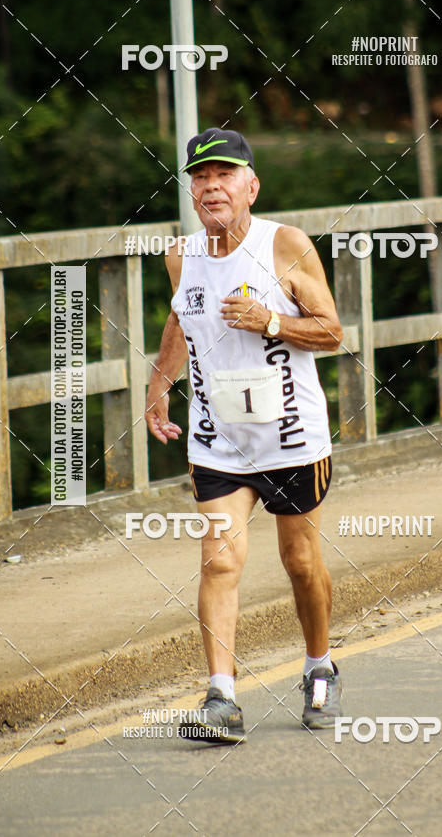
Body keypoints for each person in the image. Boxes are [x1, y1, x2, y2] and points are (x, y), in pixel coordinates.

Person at [145, 127, 344, 743]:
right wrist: (159, 382)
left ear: (251, 185)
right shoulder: (181, 253)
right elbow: (183, 314)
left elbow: (332, 331)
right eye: (200, 177)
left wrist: (272, 321)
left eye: (224, 174)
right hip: (218, 437)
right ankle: (221, 697)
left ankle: (319, 666)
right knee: (220, 558)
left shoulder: (285, 246)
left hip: (290, 437)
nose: (212, 186)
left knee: (300, 562)